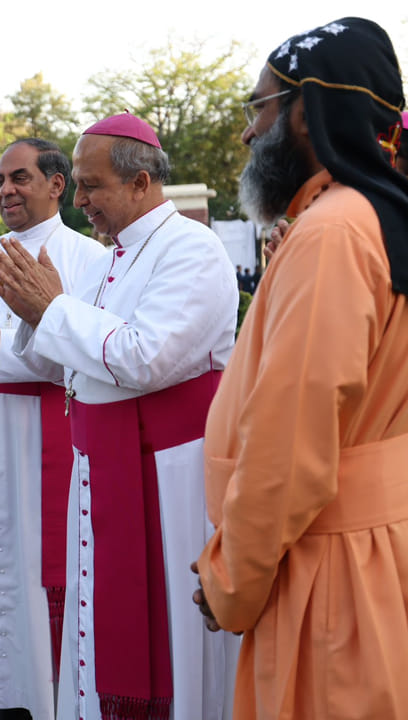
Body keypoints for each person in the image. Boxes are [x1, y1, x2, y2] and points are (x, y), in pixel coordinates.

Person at [0, 113, 240, 719]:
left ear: (141, 182)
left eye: (91, 186)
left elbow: (145, 357)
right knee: (100, 617)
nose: (80, 200)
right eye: (77, 184)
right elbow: (72, 363)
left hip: (166, 476)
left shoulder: (191, 249)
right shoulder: (108, 260)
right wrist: (34, 312)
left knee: (169, 626)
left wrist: (51, 310)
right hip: (103, 465)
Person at [194, 18, 408, 719]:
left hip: (331, 571)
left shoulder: (335, 231)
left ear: (308, 113)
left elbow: (291, 447)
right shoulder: (372, 217)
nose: (249, 132)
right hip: (367, 550)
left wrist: (230, 579)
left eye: (259, 107)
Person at [0, 139, 107, 720]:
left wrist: (4, 351)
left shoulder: (86, 258)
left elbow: (90, 351)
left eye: (18, 178)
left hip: (53, 429)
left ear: (57, 185)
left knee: (45, 560)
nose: (4, 190)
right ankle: (9, 690)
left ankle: (53, 691)